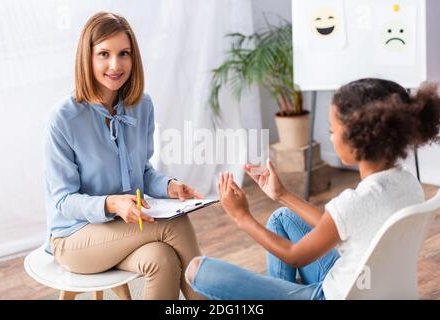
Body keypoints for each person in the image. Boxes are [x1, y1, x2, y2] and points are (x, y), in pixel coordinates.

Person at [185, 78, 440, 300]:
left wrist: (241, 216)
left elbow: (296, 256)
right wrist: (281, 194)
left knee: (197, 270)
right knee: (282, 218)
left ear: (358, 137)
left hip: (334, 295)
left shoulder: (356, 201)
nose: (329, 137)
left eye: (332, 130)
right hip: (369, 283)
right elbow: (339, 225)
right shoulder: (408, 183)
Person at [44, 12, 204, 300]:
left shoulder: (142, 105)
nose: (115, 65)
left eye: (124, 54)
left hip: (123, 228)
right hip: (74, 237)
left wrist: (170, 186)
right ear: (87, 58)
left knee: (162, 258)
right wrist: (111, 203)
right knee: (176, 224)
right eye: (104, 54)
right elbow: (63, 201)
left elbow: (142, 172)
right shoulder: (63, 118)